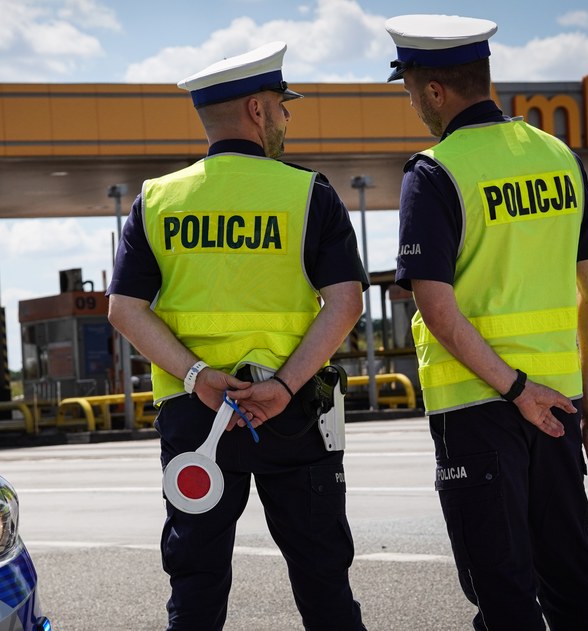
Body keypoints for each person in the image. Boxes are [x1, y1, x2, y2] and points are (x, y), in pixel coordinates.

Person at [107, 41, 368, 631]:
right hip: (296, 412)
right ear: (257, 110)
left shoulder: (157, 201)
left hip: (197, 417)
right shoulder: (310, 194)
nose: (286, 117)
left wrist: (198, 377)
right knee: (324, 579)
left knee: (195, 587)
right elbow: (344, 303)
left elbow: (125, 309)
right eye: (282, 105)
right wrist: (284, 384)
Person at [383, 14, 588, 631]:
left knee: (503, 588)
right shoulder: (558, 156)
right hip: (561, 405)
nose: (412, 104)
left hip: (480, 407)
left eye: (410, 90)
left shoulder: (435, 171)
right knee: (572, 574)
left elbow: (435, 307)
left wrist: (514, 390)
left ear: (435, 90)